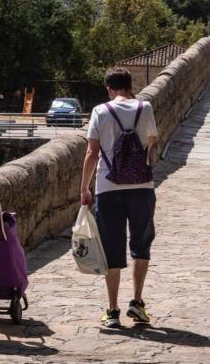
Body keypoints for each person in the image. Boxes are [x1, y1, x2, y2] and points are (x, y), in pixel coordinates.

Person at [80, 67, 158, 329]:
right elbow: (151, 142)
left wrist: (84, 188)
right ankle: (136, 302)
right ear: (129, 86)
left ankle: (112, 310)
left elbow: (91, 153)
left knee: (112, 248)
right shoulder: (144, 108)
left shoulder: (100, 111)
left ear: (109, 89)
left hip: (108, 188)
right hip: (142, 186)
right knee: (141, 243)